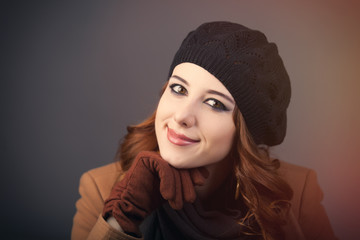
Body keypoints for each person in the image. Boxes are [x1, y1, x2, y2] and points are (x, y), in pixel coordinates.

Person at [71, 21, 337, 240]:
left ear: (244, 132)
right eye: (178, 89)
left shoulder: (297, 193)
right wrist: (122, 216)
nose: (182, 116)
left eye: (214, 103)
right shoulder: (101, 188)